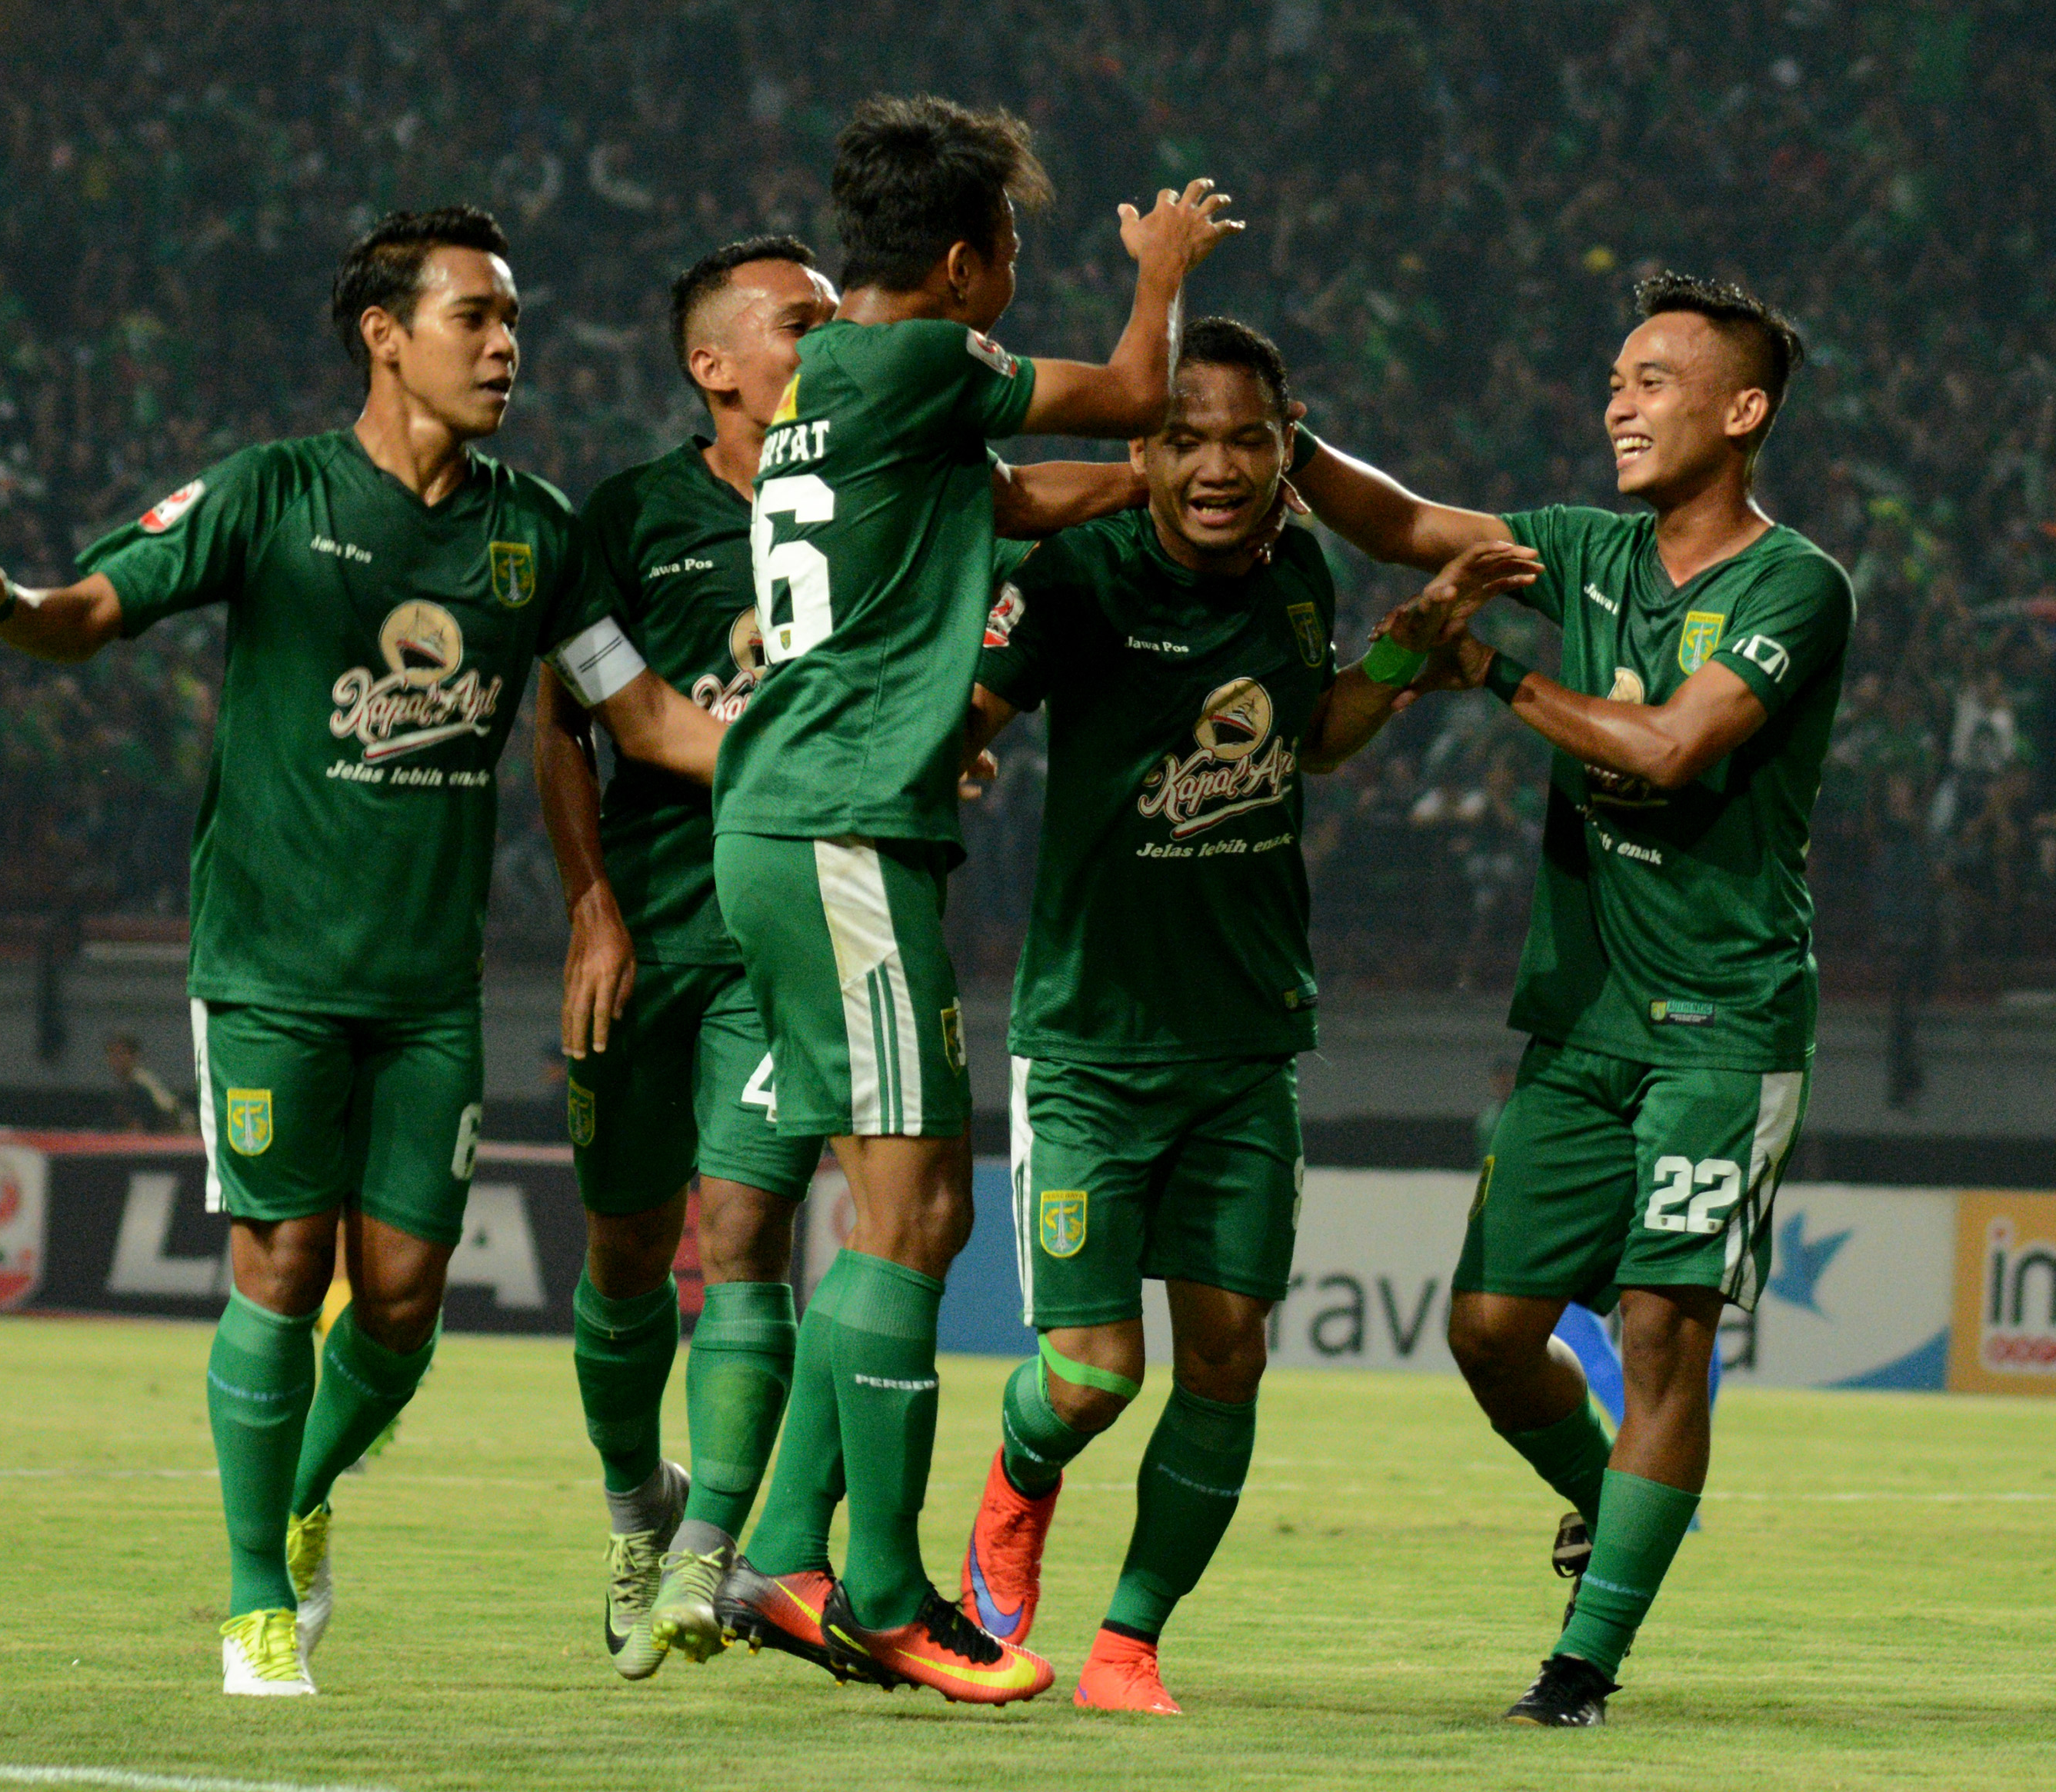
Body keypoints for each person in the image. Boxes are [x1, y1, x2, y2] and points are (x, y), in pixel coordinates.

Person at [0, 205, 722, 1697]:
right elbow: (86, 611)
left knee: (403, 1307)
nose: (506, 344)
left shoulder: (535, 529)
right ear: (384, 335)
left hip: (427, 990)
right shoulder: (272, 491)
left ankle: (299, 1490)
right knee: (283, 1265)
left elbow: (649, 717)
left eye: (512, 319)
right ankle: (252, 1601)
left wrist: (832, 768)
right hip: (273, 964)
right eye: (474, 316)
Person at [535, 233, 1147, 1684]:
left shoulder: (891, 468)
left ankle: (727, 1556)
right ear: (715, 364)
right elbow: (590, 723)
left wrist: (1149, 486)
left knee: (764, 1237)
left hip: (782, 908)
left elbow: (1012, 508)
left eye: (829, 314)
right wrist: (592, 902)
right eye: (797, 322)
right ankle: (662, 1516)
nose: (828, 341)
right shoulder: (631, 516)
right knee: (633, 1250)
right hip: (694, 900)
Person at [706, 93, 1238, 1705]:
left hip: (796, 826)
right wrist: (1163, 267)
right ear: (960, 264)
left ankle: (790, 1556)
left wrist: (1129, 486)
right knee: (920, 1213)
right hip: (843, 827)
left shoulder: (831, 392)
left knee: (889, 1211)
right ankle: (878, 1586)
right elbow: (1138, 383)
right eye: (1014, 251)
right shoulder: (928, 360)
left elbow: (995, 506)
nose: (1019, 274)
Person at [949, 317, 1535, 1713]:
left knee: (1226, 1357)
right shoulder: (1077, 570)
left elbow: (1315, 739)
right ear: (1141, 447)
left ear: (1289, 444)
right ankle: (1017, 1483)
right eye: (1187, 435)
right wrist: (952, 753)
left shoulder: (1296, 572)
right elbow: (972, 707)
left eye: (1246, 438)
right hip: (1090, 1042)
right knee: (1090, 1378)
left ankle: (1129, 1644)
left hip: (1245, 1045)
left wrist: (1406, 646)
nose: (1217, 465)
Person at [1294, 271, 1852, 1724]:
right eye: (1616, 377)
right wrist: (1276, 442)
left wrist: (1479, 665)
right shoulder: (1583, 549)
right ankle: (1599, 1497)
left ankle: (1580, 1670)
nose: (1620, 399)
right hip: (1584, 1020)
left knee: (1665, 1329)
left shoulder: (1793, 584)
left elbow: (1672, 748)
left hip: (1724, 1022)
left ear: (1743, 412)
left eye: (1656, 379)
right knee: (1487, 1330)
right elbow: (1408, 525)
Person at [105, 1031, 190, 1134]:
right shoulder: (125, 1085)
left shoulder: (141, 1083)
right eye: (112, 1054)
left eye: (122, 1054)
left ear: (134, 1056)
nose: (117, 1059)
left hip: (177, 1136)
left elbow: (169, 1113)